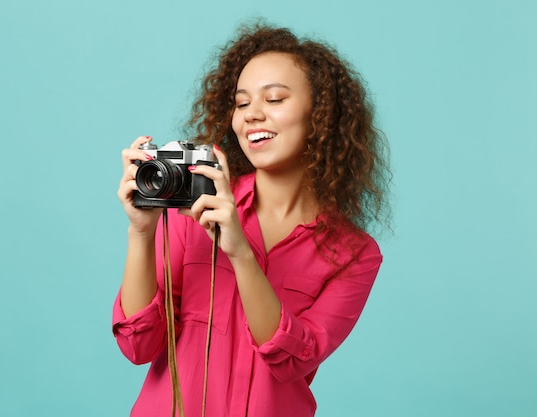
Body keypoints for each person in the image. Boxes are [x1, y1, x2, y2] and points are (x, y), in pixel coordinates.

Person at [113, 22, 391, 417]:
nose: (252, 115)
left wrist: (240, 253)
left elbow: (293, 358)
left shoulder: (354, 254)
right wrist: (141, 233)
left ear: (322, 115)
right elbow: (137, 347)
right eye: (241, 104)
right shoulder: (193, 209)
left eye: (274, 98)